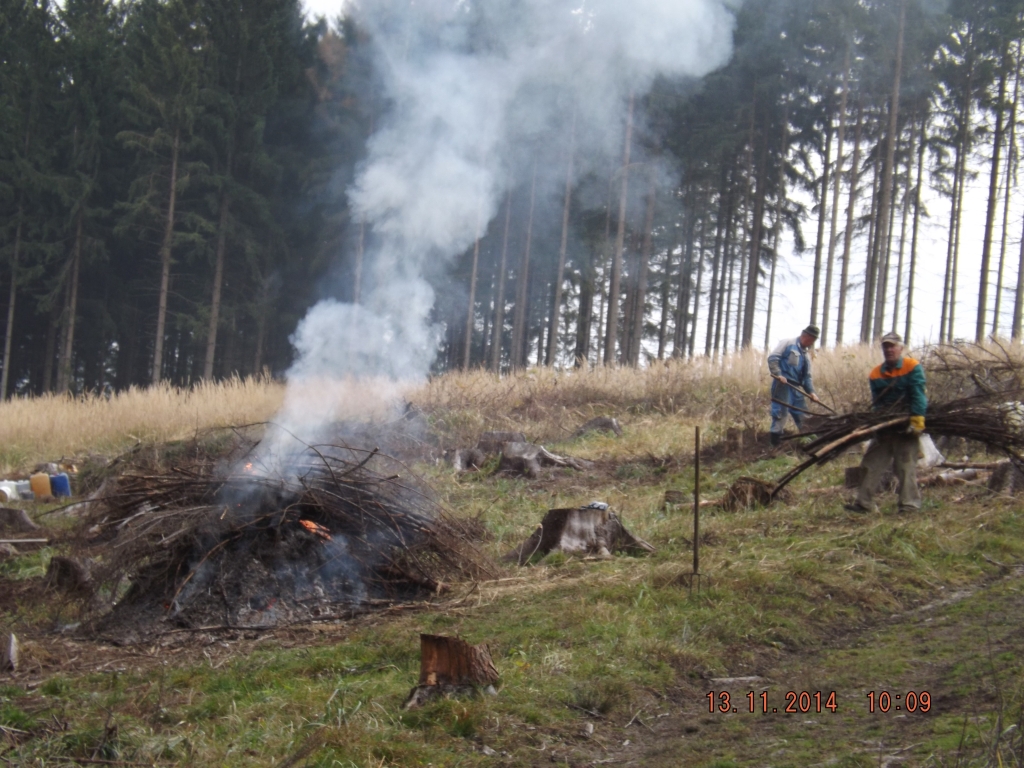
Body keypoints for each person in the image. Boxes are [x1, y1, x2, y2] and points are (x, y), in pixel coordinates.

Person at [844, 332, 928, 514]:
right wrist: (875, 423)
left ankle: (909, 506)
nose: (889, 350)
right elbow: (878, 403)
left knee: (905, 467)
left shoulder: (912, 367)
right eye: (886, 347)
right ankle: (864, 504)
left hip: (906, 426)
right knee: (870, 464)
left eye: (892, 346)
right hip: (885, 427)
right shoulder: (875, 373)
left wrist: (917, 419)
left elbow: (918, 394)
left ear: (901, 348)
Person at [767, 325, 822, 447]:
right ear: (805, 336)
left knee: (803, 415)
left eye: (813, 341)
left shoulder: (806, 355)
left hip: (796, 388)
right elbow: (773, 358)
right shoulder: (788, 343)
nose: (811, 343)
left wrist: (812, 392)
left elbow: (807, 377)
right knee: (780, 413)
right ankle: (775, 445)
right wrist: (778, 374)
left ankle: (809, 444)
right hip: (782, 385)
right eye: (811, 340)